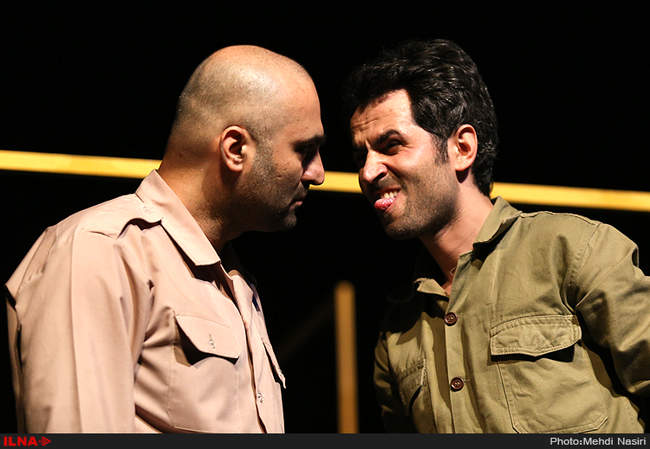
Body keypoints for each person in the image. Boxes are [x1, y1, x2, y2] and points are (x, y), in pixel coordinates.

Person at [5, 45, 325, 433]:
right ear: (235, 149)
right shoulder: (101, 250)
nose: (318, 174)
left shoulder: (235, 280)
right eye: (305, 150)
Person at [342, 38, 649, 433]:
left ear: (462, 148)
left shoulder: (572, 250)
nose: (368, 172)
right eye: (361, 156)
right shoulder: (397, 331)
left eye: (391, 145)